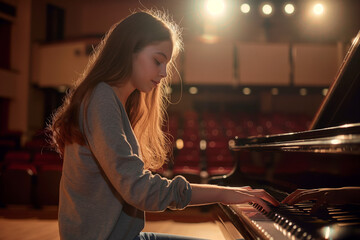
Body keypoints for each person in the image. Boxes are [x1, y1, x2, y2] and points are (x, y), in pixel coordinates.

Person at [49, 9, 278, 240]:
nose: (164, 73)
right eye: (158, 60)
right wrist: (223, 194)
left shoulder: (110, 100)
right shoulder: (101, 98)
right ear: (129, 50)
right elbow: (139, 191)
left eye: (166, 63)